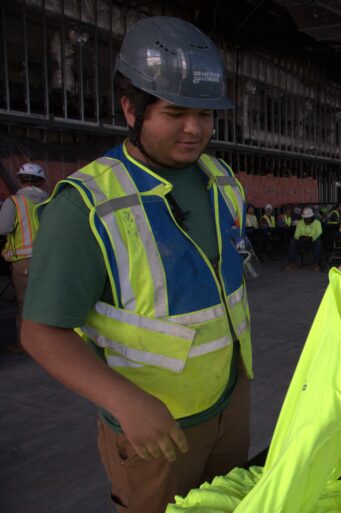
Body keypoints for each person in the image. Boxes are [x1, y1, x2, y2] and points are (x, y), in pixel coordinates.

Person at [21, 17, 253, 513]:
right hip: (154, 428)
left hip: (230, 399)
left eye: (206, 114)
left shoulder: (222, 181)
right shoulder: (86, 205)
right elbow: (41, 333)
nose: (195, 129)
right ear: (132, 109)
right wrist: (125, 403)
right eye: (176, 113)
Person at [0, 162, 49, 353]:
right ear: (42, 182)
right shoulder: (49, 200)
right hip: (48, 258)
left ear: (20, 180)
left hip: (25, 260)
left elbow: (2, 228)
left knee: (26, 304)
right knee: (46, 300)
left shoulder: (15, 202)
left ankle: (27, 346)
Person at [285, 207, 322, 271]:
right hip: (302, 241)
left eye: (308, 218)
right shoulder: (300, 223)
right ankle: (292, 263)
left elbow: (319, 233)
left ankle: (316, 263)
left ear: (311, 217)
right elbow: (296, 234)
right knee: (293, 242)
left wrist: (311, 238)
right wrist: (300, 237)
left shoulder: (317, 223)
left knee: (318, 242)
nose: (306, 219)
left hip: (312, 241)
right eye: (305, 218)